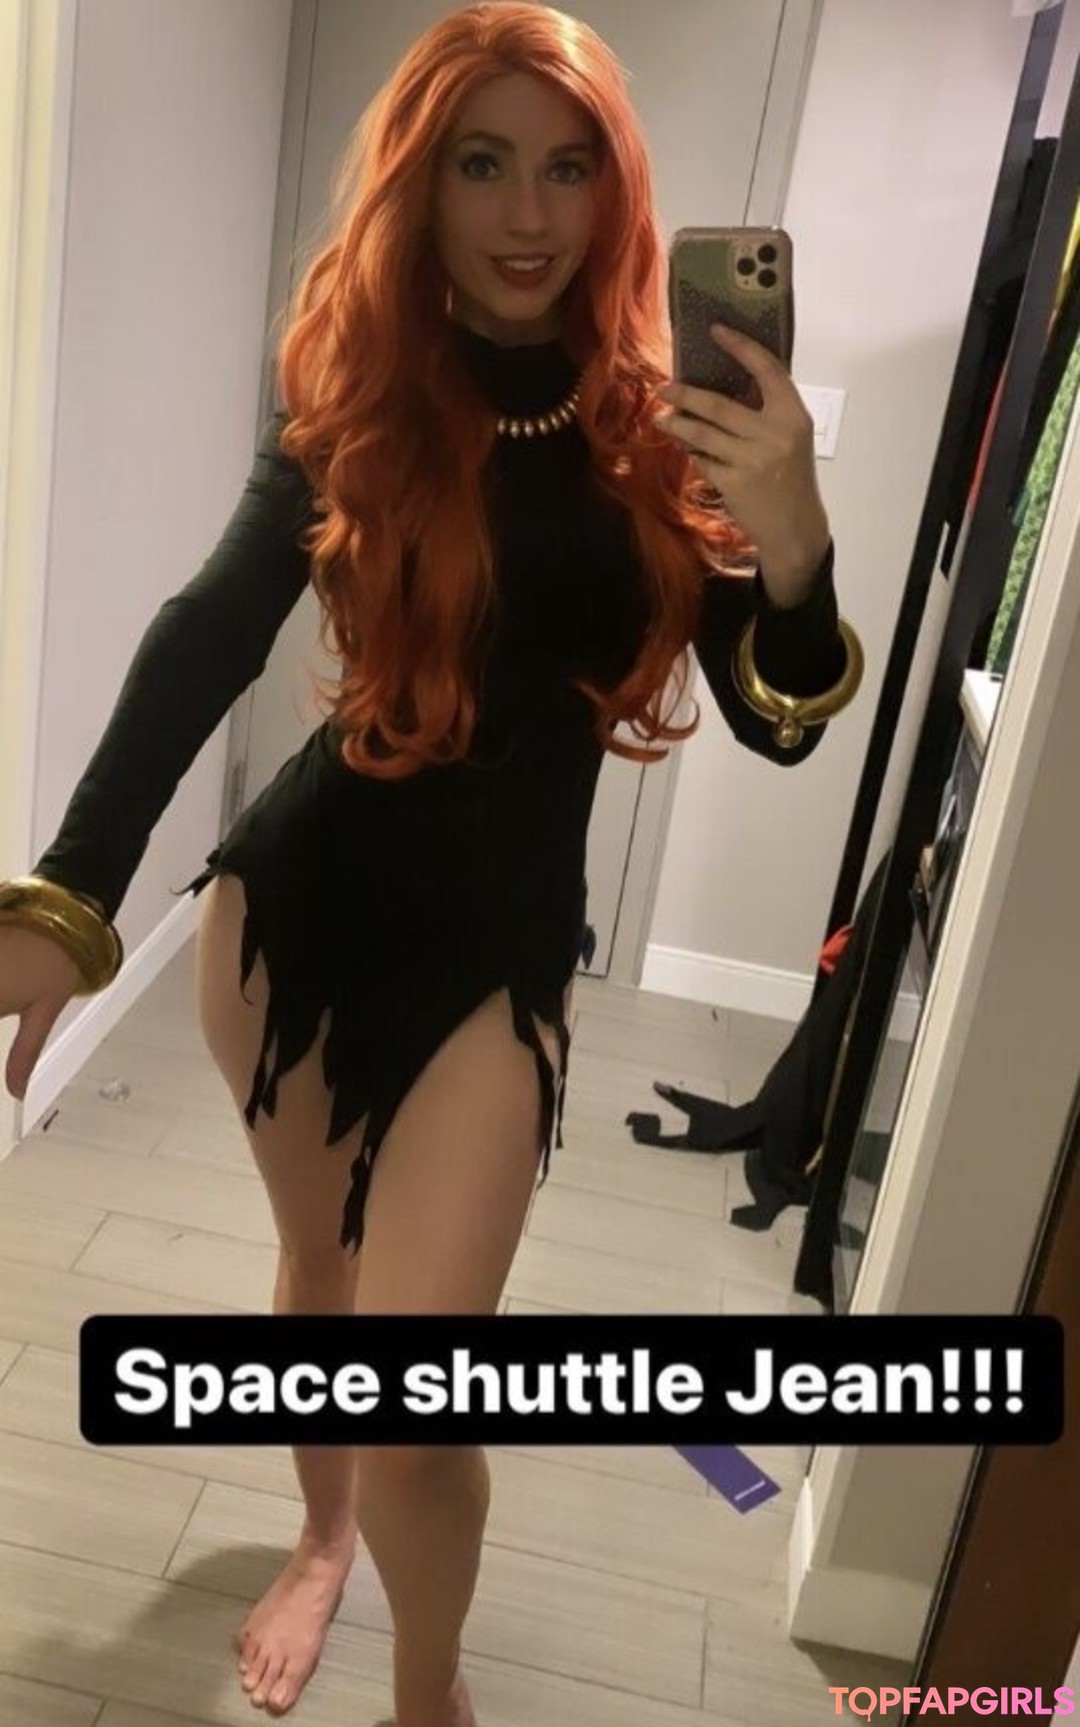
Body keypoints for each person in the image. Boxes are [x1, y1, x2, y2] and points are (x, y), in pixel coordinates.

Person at [0, 4, 862, 1721]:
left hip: (495, 964)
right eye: (483, 164)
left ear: (616, 193)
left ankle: (429, 1690)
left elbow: (779, 724)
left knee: (414, 1402)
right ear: (423, 180)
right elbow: (206, 633)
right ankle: (320, 1543)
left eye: (567, 168)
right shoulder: (359, 402)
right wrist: (69, 904)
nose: (528, 215)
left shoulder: (662, 427)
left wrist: (796, 541)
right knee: (320, 1288)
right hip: (290, 924)